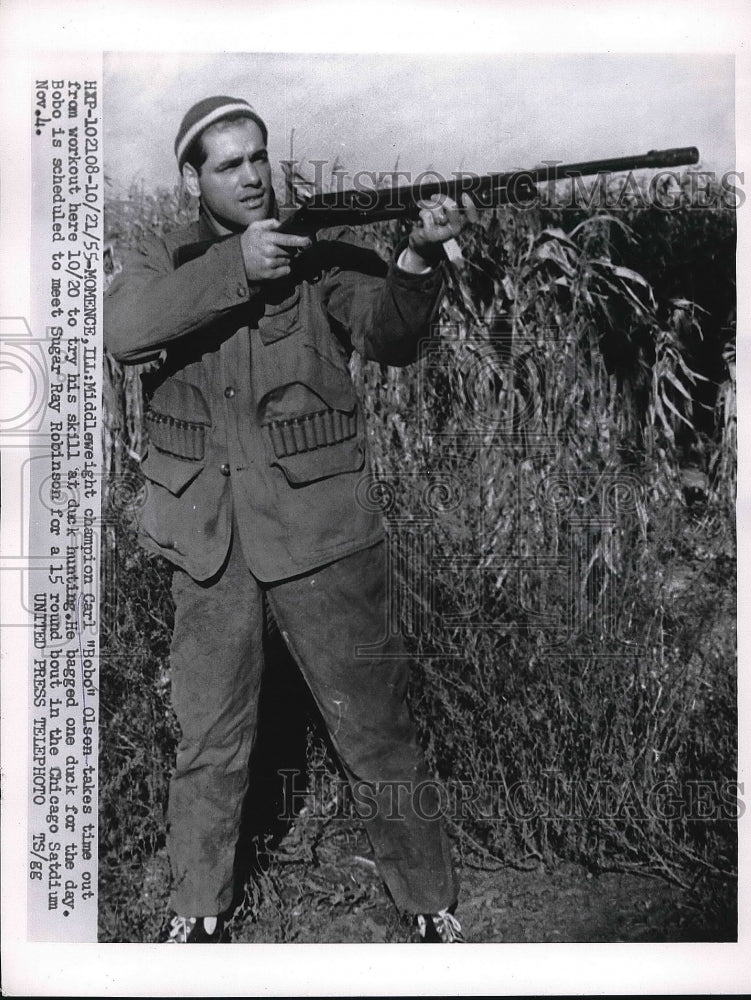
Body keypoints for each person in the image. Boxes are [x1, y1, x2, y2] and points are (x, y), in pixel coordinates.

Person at [105, 95, 467, 944]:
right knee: (209, 739)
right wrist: (238, 266)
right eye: (229, 164)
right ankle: (195, 910)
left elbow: (391, 335)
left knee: (376, 727)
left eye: (259, 156)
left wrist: (415, 256)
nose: (253, 175)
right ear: (193, 178)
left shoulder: (318, 255)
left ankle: (428, 903)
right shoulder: (165, 256)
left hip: (321, 531)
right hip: (209, 541)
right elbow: (123, 331)